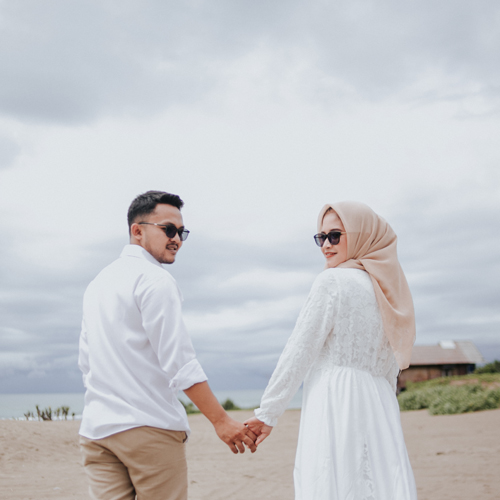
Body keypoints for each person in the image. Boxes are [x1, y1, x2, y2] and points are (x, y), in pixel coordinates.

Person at [78, 190, 256, 500]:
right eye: (168, 229)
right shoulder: (154, 279)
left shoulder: (97, 284)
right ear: (137, 230)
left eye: (181, 232)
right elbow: (180, 362)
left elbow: (86, 361)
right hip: (149, 430)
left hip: (97, 430)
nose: (176, 239)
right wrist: (221, 420)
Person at [245, 201, 418, 499]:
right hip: (381, 404)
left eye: (335, 236)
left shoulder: (332, 281)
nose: (326, 245)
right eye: (320, 237)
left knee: (331, 481)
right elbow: (390, 368)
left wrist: (268, 413)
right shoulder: (389, 293)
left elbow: (299, 351)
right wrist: (385, 409)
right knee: (381, 484)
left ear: (361, 234)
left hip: (336, 398)